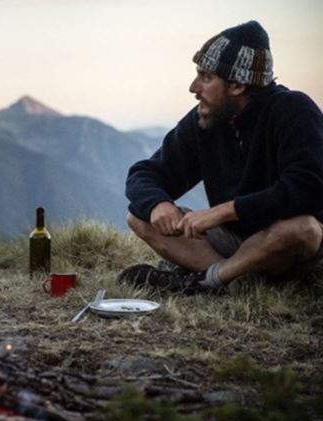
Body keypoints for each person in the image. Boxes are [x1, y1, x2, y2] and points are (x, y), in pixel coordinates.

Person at [118, 21, 323, 294]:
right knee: (139, 216)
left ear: (237, 85)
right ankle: (229, 281)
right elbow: (145, 173)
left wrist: (224, 211)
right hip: (232, 242)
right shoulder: (205, 121)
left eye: (205, 77)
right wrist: (158, 204)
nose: (193, 87)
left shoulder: (294, 110)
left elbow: (308, 188)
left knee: (303, 228)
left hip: (284, 247)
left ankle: (204, 281)